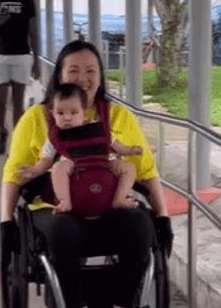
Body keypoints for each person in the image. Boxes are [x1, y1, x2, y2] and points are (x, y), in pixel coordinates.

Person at [0, 40, 173, 308]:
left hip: (109, 206)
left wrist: (162, 217)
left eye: (91, 70)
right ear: (60, 76)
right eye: (74, 70)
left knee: (139, 223)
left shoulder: (118, 117)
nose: (84, 77)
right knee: (63, 229)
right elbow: (13, 173)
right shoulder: (38, 119)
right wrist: (6, 223)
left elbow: (146, 170)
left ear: (101, 76)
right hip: (57, 208)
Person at [18, 82, 143, 215]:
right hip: (74, 167)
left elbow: (117, 146)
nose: (67, 117)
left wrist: (130, 151)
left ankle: (120, 198)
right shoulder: (56, 137)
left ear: (84, 112)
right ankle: (65, 201)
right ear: (52, 113)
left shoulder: (98, 129)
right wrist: (34, 171)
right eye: (60, 113)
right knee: (58, 168)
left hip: (104, 164)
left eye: (74, 112)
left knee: (128, 167)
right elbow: (47, 160)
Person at [0, 0, 41, 155]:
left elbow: (33, 31)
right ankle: (2, 131)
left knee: (18, 101)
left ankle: (17, 140)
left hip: (22, 55)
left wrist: (36, 60)